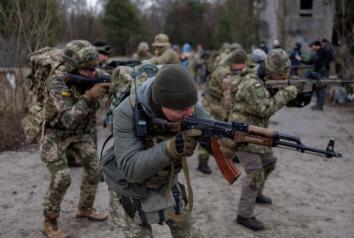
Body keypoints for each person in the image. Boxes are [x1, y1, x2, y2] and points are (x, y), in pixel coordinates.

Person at [101, 65, 236, 237]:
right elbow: (130, 170)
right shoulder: (126, 112)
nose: (189, 114)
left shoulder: (188, 107)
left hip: (166, 182)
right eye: (181, 110)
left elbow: (212, 135)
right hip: (128, 188)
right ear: (159, 105)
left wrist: (225, 144)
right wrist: (171, 148)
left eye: (191, 106)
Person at [40, 40, 109, 238]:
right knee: (62, 178)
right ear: (73, 67)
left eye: (94, 67)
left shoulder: (94, 76)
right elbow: (68, 118)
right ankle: (49, 222)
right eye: (87, 69)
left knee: (95, 169)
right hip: (54, 135)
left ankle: (85, 209)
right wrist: (89, 97)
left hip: (79, 135)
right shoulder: (57, 81)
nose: (93, 72)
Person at [229, 49, 300, 231]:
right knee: (255, 171)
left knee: (269, 162)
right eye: (281, 73)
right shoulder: (253, 82)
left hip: (256, 130)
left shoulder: (263, 76)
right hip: (242, 132)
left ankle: (256, 193)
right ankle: (244, 215)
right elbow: (265, 108)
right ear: (272, 69)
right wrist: (288, 92)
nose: (284, 76)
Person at [303, 40, 332, 110]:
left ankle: (319, 106)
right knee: (319, 89)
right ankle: (318, 105)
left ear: (317, 46)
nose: (312, 47)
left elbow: (320, 61)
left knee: (321, 89)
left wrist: (319, 70)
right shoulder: (320, 51)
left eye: (313, 46)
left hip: (323, 72)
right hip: (321, 72)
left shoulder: (322, 51)